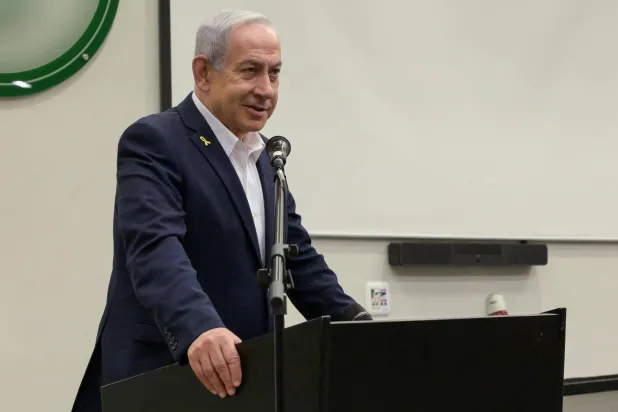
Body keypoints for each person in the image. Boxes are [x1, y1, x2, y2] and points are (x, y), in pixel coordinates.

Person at [71, 9, 362, 412]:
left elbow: (296, 257)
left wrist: (356, 323)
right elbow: (155, 249)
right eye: (250, 71)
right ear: (203, 73)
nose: (266, 90)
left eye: (275, 73)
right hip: (162, 376)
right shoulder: (155, 141)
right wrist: (199, 328)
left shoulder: (265, 158)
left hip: (245, 378)